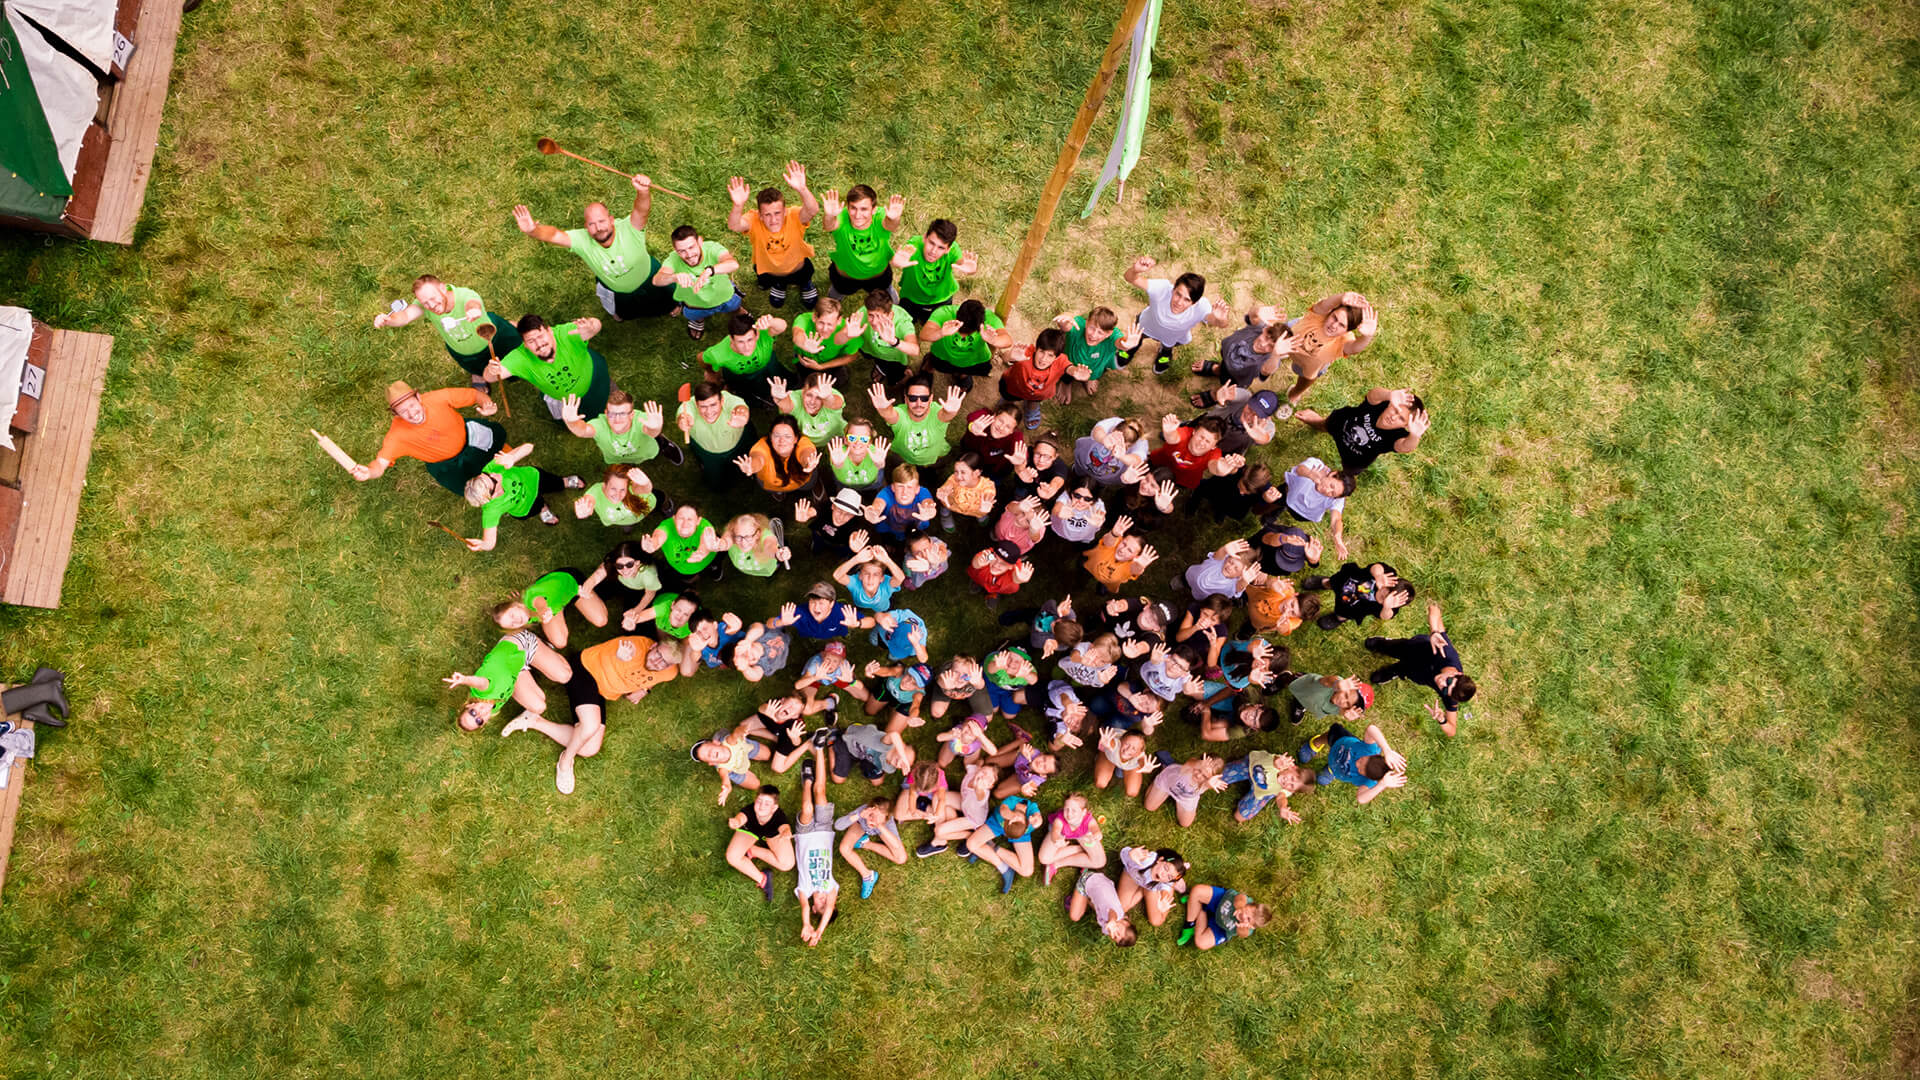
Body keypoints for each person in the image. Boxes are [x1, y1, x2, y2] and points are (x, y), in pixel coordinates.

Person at [497, 634, 671, 794]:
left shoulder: (669, 672)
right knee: (590, 726)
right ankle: (565, 762)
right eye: (658, 654)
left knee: (589, 748)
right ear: (653, 646)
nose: (658, 662)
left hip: (601, 691)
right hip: (586, 670)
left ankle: (534, 721)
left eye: (665, 662)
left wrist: (645, 688)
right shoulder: (633, 647)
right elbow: (618, 652)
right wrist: (619, 657)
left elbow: (660, 673)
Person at [512, 176, 677, 321]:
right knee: (625, 313)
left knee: (668, 299)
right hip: (618, 292)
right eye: (592, 224)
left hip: (650, 278)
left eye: (602, 221)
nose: (598, 228)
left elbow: (641, 211)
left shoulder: (629, 228)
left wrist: (643, 192)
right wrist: (533, 231)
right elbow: (555, 235)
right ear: (586, 226)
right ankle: (622, 314)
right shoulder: (582, 240)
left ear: (611, 220)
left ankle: (672, 306)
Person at [347, 380, 502, 495]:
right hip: (448, 466)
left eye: (412, 405)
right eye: (403, 411)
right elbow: (380, 464)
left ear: (419, 398)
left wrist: (487, 404)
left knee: (501, 451)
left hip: (471, 438)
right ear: (396, 414)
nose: (412, 413)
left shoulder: (437, 398)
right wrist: (369, 472)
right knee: (478, 490)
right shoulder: (397, 436)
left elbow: (474, 395)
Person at [373, 274, 522, 382]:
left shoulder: (464, 295)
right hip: (463, 351)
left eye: (433, 298)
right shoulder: (425, 305)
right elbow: (405, 316)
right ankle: (478, 375)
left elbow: (472, 302)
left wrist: (473, 309)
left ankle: (513, 326)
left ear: (443, 288)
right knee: (484, 371)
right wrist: (389, 320)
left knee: (517, 358)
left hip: (493, 337)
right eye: (425, 303)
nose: (431, 306)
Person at [1365, 601, 1478, 736]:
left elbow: (1452, 730)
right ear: (1457, 673)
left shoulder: (1452, 695)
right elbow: (1434, 609)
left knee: (1395, 672)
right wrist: (1434, 632)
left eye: (1445, 690)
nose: (1442, 684)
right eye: (1448, 681)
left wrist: (1442, 720)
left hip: (1416, 673)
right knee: (1388, 646)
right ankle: (1382, 643)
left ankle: (1393, 671)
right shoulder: (1447, 653)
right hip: (1412, 648)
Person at [726, 161, 821, 309]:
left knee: (804, 276)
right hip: (769, 271)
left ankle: (805, 284)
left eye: (777, 213)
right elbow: (734, 225)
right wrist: (738, 205)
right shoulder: (754, 220)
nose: (773, 219)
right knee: (771, 281)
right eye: (767, 215)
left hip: (798, 268)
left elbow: (813, 210)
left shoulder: (794, 216)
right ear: (760, 215)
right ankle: (779, 285)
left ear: (785, 211)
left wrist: (802, 189)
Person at [488, 314, 615, 423]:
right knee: (586, 418)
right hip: (567, 401)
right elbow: (490, 377)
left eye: (540, 336)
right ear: (525, 345)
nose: (539, 344)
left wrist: (591, 326)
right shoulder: (521, 357)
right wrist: (492, 370)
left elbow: (596, 324)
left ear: (550, 331)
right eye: (531, 341)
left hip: (595, 379)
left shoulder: (565, 334)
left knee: (611, 398)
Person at [1122, 255, 1235, 374]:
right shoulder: (1162, 289)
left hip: (1172, 337)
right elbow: (1130, 278)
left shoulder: (1201, 306)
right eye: (1178, 294)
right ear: (1173, 289)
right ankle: (1130, 348)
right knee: (1136, 339)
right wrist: (1135, 270)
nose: (1179, 302)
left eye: (1187, 300)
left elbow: (1220, 324)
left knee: (1167, 346)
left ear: (1194, 302)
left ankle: (1165, 354)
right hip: (1146, 326)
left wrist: (1220, 319)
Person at [446, 630, 574, 732]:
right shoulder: (493, 709)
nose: (480, 714)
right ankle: (532, 662)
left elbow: (481, 683)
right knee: (539, 707)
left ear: (469, 705)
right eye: (479, 721)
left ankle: (543, 645)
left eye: (473, 713)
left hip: (519, 645)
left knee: (565, 676)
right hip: (515, 669)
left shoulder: (481, 692)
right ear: (483, 723)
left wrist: (465, 680)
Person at [461, 444, 582, 551]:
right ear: (491, 496)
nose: (494, 474)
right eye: (493, 479)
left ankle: (565, 482)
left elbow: (529, 447)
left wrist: (512, 457)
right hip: (525, 507)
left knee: (554, 483)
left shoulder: (493, 468)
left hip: (535, 479)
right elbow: (489, 543)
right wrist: (482, 545)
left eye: (486, 474)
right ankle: (543, 508)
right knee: (537, 506)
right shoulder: (491, 510)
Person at [1279, 291, 1378, 413]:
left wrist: (1368, 336)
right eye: (1334, 318)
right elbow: (1324, 304)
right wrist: (1341, 297)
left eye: (1342, 325)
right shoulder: (1319, 314)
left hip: (1308, 365)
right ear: (1330, 312)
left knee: (1305, 379)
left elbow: (1355, 348)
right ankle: (1281, 353)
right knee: (1277, 343)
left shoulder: (1343, 342)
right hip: (1289, 338)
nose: (1334, 325)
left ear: (1347, 331)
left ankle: (1295, 394)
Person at [1295, 388, 1430, 473]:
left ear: (1406, 425)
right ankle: (1317, 421)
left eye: (1401, 418)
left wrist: (1414, 435)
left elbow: (1404, 447)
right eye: (1395, 410)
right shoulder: (1382, 403)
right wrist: (1389, 394)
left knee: (1349, 471)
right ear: (1390, 404)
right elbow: (1372, 395)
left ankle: (1340, 479)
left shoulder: (1398, 436)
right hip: (1341, 423)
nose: (1393, 417)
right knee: (1325, 425)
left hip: (1357, 457)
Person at [652, 224, 742, 340]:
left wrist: (710, 270)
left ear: (700, 241)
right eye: (682, 251)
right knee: (696, 315)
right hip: (695, 305)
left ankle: (737, 311)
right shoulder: (673, 259)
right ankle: (698, 320)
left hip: (726, 296)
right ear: (675, 250)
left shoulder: (712, 248)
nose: (689, 255)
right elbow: (657, 280)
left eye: (691, 247)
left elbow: (733, 264)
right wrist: (673, 277)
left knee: (735, 307)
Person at [792, 746, 840, 946]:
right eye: (826, 903)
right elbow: (830, 906)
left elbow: (804, 906)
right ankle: (819, 748)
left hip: (804, 835)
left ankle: (807, 781)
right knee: (820, 792)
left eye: (819, 905)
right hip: (825, 831)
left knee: (807, 808)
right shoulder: (831, 886)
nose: (823, 901)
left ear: (813, 908)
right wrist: (820, 930)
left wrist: (808, 925)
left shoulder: (805, 888)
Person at [560, 389, 683, 468]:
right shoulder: (600, 424)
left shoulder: (641, 419)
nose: (617, 419)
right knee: (626, 465)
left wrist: (656, 428)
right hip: (618, 457)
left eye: (623, 413)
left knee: (658, 439)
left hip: (647, 449)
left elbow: (651, 432)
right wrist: (571, 422)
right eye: (612, 413)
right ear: (606, 413)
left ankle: (665, 445)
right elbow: (582, 431)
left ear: (632, 414)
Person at [821, 184, 904, 300]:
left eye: (864, 209)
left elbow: (891, 226)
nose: (857, 215)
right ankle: (836, 295)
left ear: (874, 210)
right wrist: (829, 216)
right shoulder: (841, 216)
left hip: (878, 278)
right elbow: (829, 226)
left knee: (886, 296)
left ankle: (888, 291)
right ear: (848, 207)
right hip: (846, 278)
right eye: (853, 208)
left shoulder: (880, 216)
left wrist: (894, 218)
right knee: (837, 293)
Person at [492, 568, 606, 650]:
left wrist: (543, 611)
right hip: (558, 601)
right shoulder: (527, 618)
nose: (517, 620)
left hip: (572, 583)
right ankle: (560, 606)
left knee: (601, 620)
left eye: (512, 615)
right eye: (512, 624)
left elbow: (539, 602)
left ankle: (561, 603)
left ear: (516, 605)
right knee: (560, 642)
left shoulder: (532, 596)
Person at [997, 328, 1089, 430]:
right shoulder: (1024, 353)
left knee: (1035, 399)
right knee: (1008, 397)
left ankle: (1031, 405)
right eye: (1041, 352)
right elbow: (1005, 357)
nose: (1043, 359)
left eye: (1050, 355)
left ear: (1057, 357)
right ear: (1036, 348)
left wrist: (1075, 372)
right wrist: (1011, 356)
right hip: (1013, 387)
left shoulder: (1060, 361)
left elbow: (1069, 368)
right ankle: (1007, 402)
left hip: (1040, 393)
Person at [1298, 721, 1409, 805]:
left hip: (1339, 769)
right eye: (1362, 760)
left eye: (1360, 770)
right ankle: (1316, 743)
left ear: (1367, 777)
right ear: (1373, 755)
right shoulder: (1370, 749)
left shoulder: (1369, 782)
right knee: (1330, 735)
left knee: (1336, 769)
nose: (1357, 764)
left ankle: (1331, 770)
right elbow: (1371, 728)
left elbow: (1361, 799)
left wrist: (1382, 785)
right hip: (1340, 742)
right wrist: (1387, 749)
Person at [1192, 302, 1290, 396]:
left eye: (1271, 346)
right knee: (1224, 366)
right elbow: (1252, 315)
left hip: (1236, 378)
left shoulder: (1270, 359)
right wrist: (1258, 311)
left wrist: (1276, 355)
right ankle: (1218, 369)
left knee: (1226, 383)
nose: (1263, 344)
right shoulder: (1258, 328)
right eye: (1266, 337)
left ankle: (1216, 394)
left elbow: (1266, 370)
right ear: (1265, 329)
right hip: (1226, 355)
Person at [868, 377, 964, 473]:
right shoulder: (901, 413)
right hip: (904, 456)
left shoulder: (937, 413)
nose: (919, 404)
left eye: (924, 398)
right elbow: (891, 415)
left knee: (933, 469)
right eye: (913, 398)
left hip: (935, 457)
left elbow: (945, 415)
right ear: (906, 399)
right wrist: (884, 410)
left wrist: (950, 412)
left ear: (930, 399)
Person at [892, 217, 977, 322]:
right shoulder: (914, 246)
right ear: (924, 238)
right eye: (931, 243)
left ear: (948, 249)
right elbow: (899, 259)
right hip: (911, 299)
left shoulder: (953, 250)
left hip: (942, 299)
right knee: (905, 323)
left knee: (936, 325)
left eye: (941, 248)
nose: (933, 251)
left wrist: (970, 270)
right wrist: (895, 262)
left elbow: (962, 263)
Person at [919, 298, 1013, 392]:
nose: (962, 336)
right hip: (942, 355)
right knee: (933, 361)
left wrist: (994, 340)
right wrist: (941, 332)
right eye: (961, 329)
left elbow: (1008, 341)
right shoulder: (944, 312)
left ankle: (962, 375)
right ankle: (928, 367)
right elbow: (923, 335)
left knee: (965, 371)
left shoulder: (990, 319)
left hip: (973, 361)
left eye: (969, 332)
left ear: (982, 323)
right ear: (956, 313)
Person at [700, 312, 790, 406]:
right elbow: (701, 358)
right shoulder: (718, 354)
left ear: (757, 335)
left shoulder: (763, 334)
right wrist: (710, 372)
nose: (746, 347)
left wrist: (771, 322)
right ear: (731, 339)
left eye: (750, 340)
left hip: (769, 367)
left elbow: (782, 327)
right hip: (742, 377)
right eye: (740, 342)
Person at [675, 380, 755, 485]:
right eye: (703, 407)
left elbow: (740, 407)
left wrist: (742, 415)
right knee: (716, 483)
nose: (709, 412)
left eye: (713, 405)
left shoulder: (728, 399)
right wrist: (682, 420)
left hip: (738, 445)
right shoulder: (688, 406)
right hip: (709, 454)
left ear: (722, 401)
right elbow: (683, 415)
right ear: (696, 404)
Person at [725, 786, 795, 901]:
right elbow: (741, 818)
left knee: (787, 864)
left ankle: (753, 850)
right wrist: (736, 822)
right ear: (755, 800)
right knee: (732, 857)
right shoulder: (749, 810)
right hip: (751, 830)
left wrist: (786, 833)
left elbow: (784, 827)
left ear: (774, 808)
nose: (761, 806)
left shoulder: (779, 816)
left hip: (772, 834)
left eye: (767, 804)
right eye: (759, 801)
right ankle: (763, 879)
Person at [1277, 457, 1353, 558]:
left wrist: (1337, 537)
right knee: (1275, 501)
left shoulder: (1338, 497)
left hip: (1304, 514)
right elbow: (1300, 469)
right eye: (1331, 485)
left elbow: (1336, 519)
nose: (1327, 491)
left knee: (1294, 514)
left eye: (1332, 493)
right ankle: (1275, 510)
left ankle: (1278, 512)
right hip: (1288, 493)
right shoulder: (1318, 466)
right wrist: (1311, 475)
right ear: (1333, 474)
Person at [1301, 561, 1413, 630]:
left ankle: (1338, 618)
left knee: (1344, 613)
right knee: (1334, 582)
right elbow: (1377, 567)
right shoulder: (1388, 576)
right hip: (1347, 581)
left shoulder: (1391, 606)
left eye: (1389, 598)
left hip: (1354, 607)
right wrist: (1379, 576)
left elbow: (1385, 616)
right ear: (1390, 583)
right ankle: (1324, 583)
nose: (1385, 597)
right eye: (1387, 591)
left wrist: (1387, 607)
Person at [835, 796, 909, 900]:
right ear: (868, 809)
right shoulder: (863, 812)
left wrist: (880, 826)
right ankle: (868, 876)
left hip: (880, 829)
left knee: (901, 858)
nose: (872, 820)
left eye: (878, 818)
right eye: (871, 815)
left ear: (886, 819)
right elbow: (838, 826)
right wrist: (859, 815)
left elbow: (896, 846)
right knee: (844, 848)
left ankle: (865, 843)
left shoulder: (887, 823)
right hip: (860, 825)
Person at [967, 792, 1041, 893]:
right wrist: (1012, 816)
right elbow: (1003, 810)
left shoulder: (1030, 810)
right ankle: (1003, 868)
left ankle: (991, 846)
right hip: (998, 824)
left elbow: (1038, 818)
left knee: (1027, 871)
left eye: (1019, 821)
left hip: (1020, 834)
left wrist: (1037, 821)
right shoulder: (1013, 801)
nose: (1018, 818)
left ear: (1026, 825)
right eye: (1018, 819)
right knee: (971, 844)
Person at [1149, 414, 1244, 492]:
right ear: (1194, 432)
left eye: (1207, 441)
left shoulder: (1214, 453)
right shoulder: (1185, 432)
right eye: (1201, 437)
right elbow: (1174, 438)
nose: (1201, 443)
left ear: (1214, 446)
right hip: (1158, 463)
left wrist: (1222, 469)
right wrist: (1169, 433)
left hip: (1183, 480)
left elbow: (1214, 466)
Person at [1051, 308, 1128, 401]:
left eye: (1100, 332)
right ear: (1086, 323)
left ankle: (1091, 378)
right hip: (1070, 364)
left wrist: (1127, 344)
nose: (1093, 335)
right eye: (1092, 328)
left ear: (1108, 334)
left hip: (1096, 367)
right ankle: (1066, 383)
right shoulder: (1079, 326)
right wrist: (1064, 319)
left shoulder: (1113, 336)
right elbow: (1067, 324)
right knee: (1066, 371)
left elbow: (1121, 343)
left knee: (1116, 362)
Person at [734, 416, 819, 499]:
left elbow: (806, 453)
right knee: (775, 490)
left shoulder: (803, 443)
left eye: (787, 436)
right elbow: (758, 458)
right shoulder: (763, 446)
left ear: (795, 439)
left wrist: (808, 462)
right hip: (773, 486)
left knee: (808, 486)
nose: (781, 440)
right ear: (771, 437)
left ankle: (808, 489)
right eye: (777, 436)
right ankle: (779, 492)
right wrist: (751, 466)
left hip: (802, 481)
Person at [922, 763, 998, 857]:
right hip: (963, 802)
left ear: (990, 786)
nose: (984, 777)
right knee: (938, 797)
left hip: (973, 818)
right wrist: (979, 761)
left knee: (939, 831)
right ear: (978, 769)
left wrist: (979, 788)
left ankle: (970, 835)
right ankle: (940, 838)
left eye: (989, 779)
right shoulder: (973, 771)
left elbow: (980, 795)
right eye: (983, 772)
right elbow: (972, 761)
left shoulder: (983, 793)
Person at [848, 291, 922, 388]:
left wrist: (894, 341)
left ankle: (905, 375)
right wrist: (848, 335)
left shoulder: (902, 323)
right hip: (871, 350)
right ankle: (881, 368)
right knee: (874, 359)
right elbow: (841, 335)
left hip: (895, 359)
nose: (874, 322)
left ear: (890, 315)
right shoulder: (863, 312)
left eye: (879, 316)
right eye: (871, 315)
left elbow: (915, 350)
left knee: (894, 379)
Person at [1221, 749, 1315, 823]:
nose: (1287, 782)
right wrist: (1275, 763)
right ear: (1292, 767)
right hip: (1251, 766)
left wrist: (1283, 807)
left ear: (1292, 791)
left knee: (1239, 817)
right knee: (1218, 776)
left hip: (1262, 791)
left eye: (1291, 786)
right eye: (1292, 778)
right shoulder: (1282, 762)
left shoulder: (1286, 789)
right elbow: (1272, 761)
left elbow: (1281, 797)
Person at [691, 723, 773, 805]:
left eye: (709, 749)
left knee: (768, 755)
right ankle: (740, 770)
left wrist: (743, 730)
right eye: (707, 756)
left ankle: (721, 735)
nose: (710, 754)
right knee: (756, 785)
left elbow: (736, 732)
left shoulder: (730, 741)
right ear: (712, 763)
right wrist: (727, 787)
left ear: (716, 743)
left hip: (743, 748)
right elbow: (725, 780)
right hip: (734, 768)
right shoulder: (722, 769)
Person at [1036, 792, 1107, 886]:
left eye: (1074, 810)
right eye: (1066, 809)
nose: (1069, 814)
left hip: (1081, 834)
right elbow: (1055, 831)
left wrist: (1096, 836)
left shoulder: (1088, 820)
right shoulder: (1060, 820)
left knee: (1100, 862)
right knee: (1044, 859)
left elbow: (1095, 830)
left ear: (1083, 812)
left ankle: (1056, 864)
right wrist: (1056, 840)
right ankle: (1080, 849)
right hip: (1062, 834)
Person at [642, 504, 724, 586]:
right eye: (681, 518)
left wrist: (701, 552)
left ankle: (714, 567)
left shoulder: (704, 525)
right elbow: (659, 536)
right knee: (687, 579)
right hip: (685, 569)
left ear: (698, 521)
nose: (685, 524)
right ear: (674, 518)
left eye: (690, 519)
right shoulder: (666, 526)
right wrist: (653, 544)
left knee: (718, 555)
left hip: (710, 558)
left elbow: (707, 539)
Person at [1143, 754, 1228, 828]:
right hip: (1167, 783)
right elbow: (1191, 762)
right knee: (1149, 807)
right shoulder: (1190, 766)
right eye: (1199, 770)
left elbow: (1210, 783)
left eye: (1205, 776)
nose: (1198, 775)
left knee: (1185, 824)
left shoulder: (1209, 783)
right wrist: (1198, 764)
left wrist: (1209, 784)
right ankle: (1165, 767)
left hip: (1186, 798)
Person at [1082, 516, 1160, 593]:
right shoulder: (1114, 542)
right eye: (1124, 544)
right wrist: (1113, 534)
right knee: (1082, 577)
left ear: (1136, 556)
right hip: (1088, 567)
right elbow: (1107, 542)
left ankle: (1103, 586)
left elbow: (1135, 570)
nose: (1122, 550)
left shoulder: (1131, 566)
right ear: (1121, 539)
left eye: (1130, 550)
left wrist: (1139, 566)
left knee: (1106, 584)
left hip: (1109, 581)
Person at [1115, 846, 1189, 928]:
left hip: (1151, 886)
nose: (1163, 874)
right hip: (1132, 876)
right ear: (1160, 860)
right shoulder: (1147, 860)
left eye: (1169, 876)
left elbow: (1165, 888)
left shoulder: (1163, 880)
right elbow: (1123, 853)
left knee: (1157, 921)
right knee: (1120, 910)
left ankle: (1176, 879)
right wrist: (1130, 854)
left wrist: (1162, 903)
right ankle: (1177, 873)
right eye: (1165, 868)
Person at [790, 296, 862, 379]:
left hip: (830, 364)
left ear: (839, 321)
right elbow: (797, 334)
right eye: (821, 323)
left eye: (830, 324)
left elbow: (851, 356)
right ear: (814, 317)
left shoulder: (849, 332)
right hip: (804, 360)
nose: (825, 329)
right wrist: (804, 344)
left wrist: (821, 367)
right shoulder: (804, 319)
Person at [792, 487, 871, 561]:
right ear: (833, 506)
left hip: (841, 543)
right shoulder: (825, 506)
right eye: (839, 510)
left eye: (848, 514)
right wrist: (807, 514)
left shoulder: (857, 522)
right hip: (820, 534)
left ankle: (841, 556)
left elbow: (855, 534)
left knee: (841, 553)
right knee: (817, 546)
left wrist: (855, 543)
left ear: (853, 515)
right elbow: (813, 511)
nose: (841, 517)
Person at [1179, 885, 1271, 949]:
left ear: (1251, 926)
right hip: (1219, 900)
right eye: (1247, 911)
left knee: (1201, 943)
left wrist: (1242, 927)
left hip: (1221, 928)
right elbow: (1240, 898)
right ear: (1250, 904)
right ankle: (1189, 925)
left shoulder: (1246, 929)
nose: (1244, 915)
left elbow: (1243, 934)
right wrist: (1240, 907)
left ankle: (1198, 907)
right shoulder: (1245, 901)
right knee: (1197, 890)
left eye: (1248, 919)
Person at [1192, 461, 1282, 523]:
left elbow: (1256, 511)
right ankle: (1193, 503)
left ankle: (1221, 512)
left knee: (1225, 508)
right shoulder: (1236, 469)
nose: (1242, 492)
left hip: (1236, 503)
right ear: (1243, 474)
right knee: (1202, 490)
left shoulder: (1265, 490)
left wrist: (1266, 501)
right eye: (1241, 487)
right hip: (1219, 488)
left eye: (1247, 491)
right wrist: (1231, 468)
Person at [827, 723, 913, 788]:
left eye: (905, 764)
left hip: (864, 755)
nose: (902, 762)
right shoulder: (887, 745)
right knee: (838, 779)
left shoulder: (890, 768)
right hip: (847, 742)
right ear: (900, 747)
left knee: (877, 782)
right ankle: (832, 739)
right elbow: (894, 735)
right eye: (904, 758)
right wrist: (904, 757)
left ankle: (862, 759)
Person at [1199, 388, 1283, 455]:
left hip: (1229, 448)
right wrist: (1219, 395)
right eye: (1250, 409)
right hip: (1209, 425)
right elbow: (1230, 393)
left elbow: (1266, 437)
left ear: (1267, 417)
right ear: (1250, 399)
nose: (1249, 416)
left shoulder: (1267, 425)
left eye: (1257, 415)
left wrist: (1260, 438)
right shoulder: (1244, 396)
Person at [1073, 416, 1150, 488]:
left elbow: (1137, 461)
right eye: (1115, 438)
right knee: (1077, 474)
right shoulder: (1114, 422)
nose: (1115, 446)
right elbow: (1097, 430)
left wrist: (1122, 456)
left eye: (1123, 445)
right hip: (1083, 463)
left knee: (1099, 484)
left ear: (1131, 445)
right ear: (1113, 430)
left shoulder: (1141, 443)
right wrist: (1104, 439)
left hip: (1106, 478)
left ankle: (1098, 485)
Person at [1066, 870, 1137, 947]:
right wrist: (1112, 921)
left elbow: (1100, 911)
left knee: (1079, 912)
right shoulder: (1117, 914)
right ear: (1126, 923)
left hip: (1099, 884)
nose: (1113, 933)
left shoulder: (1107, 929)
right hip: (1089, 880)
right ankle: (1084, 873)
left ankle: (1082, 899)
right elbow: (1112, 912)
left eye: (1115, 937)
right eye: (1118, 932)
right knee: (1074, 916)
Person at [775, 582, 868, 641]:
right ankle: (814, 638)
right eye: (813, 602)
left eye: (821, 603)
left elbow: (871, 621)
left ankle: (844, 635)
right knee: (809, 635)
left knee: (842, 632)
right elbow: (769, 623)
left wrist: (857, 623)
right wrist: (781, 622)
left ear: (831, 604)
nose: (816, 607)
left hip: (837, 631)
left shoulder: (842, 612)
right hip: (808, 633)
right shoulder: (800, 612)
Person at [572, 464, 657, 528]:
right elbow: (589, 499)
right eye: (613, 489)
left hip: (648, 504)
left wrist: (647, 483)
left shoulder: (631, 487)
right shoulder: (596, 491)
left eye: (622, 489)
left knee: (659, 499)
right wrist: (585, 508)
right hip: (627, 520)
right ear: (605, 484)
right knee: (628, 524)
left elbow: (646, 489)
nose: (618, 495)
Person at [795, 641, 870, 713]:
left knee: (866, 697)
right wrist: (814, 677)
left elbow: (860, 687)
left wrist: (851, 681)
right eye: (828, 659)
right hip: (815, 679)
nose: (830, 664)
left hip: (836, 678)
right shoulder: (815, 664)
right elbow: (798, 686)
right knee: (806, 709)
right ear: (823, 656)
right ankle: (829, 702)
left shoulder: (844, 667)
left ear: (841, 662)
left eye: (835, 661)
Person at [872, 463, 939, 542]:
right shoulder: (886, 492)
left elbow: (928, 503)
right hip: (889, 527)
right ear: (893, 488)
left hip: (916, 527)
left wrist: (929, 510)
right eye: (900, 486)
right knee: (889, 539)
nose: (904, 492)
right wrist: (874, 511)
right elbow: (879, 503)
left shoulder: (923, 492)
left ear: (917, 489)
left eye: (909, 487)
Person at [773, 373, 847, 444]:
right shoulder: (796, 397)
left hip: (836, 437)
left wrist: (827, 397)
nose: (812, 401)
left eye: (819, 397)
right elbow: (787, 406)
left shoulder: (830, 395)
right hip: (806, 442)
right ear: (802, 392)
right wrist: (780, 399)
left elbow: (834, 403)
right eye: (809, 395)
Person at [862, 656, 930, 733]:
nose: (907, 682)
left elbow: (915, 706)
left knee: (889, 734)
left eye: (914, 683)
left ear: (919, 688)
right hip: (888, 690)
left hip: (904, 703)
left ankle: (895, 710)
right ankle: (892, 709)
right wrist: (873, 670)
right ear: (908, 671)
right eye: (909, 676)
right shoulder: (900, 670)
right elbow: (887, 671)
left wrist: (913, 717)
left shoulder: (918, 693)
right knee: (869, 711)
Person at [934, 452, 997, 533]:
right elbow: (945, 489)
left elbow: (988, 494)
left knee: (980, 512)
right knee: (944, 505)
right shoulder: (953, 479)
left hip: (975, 509)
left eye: (963, 472)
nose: (958, 477)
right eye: (956, 471)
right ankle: (945, 514)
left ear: (976, 473)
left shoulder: (986, 486)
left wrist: (984, 508)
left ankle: (979, 515)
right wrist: (942, 493)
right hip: (952, 505)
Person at [1184, 538, 1263, 602]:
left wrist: (1244, 581)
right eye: (1230, 562)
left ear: (1241, 575)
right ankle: (1183, 581)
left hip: (1202, 596)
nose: (1230, 567)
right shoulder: (1219, 561)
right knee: (1186, 580)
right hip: (1192, 576)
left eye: (1236, 568)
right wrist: (1225, 549)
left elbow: (1239, 587)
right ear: (1227, 557)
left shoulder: (1234, 584)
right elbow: (1220, 553)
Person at [823, 419, 890, 493]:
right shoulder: (838, 453)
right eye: (852, 438)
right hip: (845, 486)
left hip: (872, 484)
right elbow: (837, 465)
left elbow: (880, 466)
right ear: (845, 440)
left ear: (870, 442)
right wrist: (838, 464)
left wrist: (879, 464)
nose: (858, 442)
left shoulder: (877, 453)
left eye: (864, 439)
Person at [1094, 727, 1161, 799]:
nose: (1128, 750)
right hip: (1110, 756)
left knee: (1132, 792)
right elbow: (1111, 742)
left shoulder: (1140, 756)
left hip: (1128, 764)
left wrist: (1145, 767)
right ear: (1121, 740)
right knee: (1100, 783)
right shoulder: (1115, 743)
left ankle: (1120, 768)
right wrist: (1107, 743)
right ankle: (1101, 756)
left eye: (1134, 748)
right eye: (1127, 744)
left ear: (1139, 753)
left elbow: (1142, 762)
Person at [833, 546, 905, 612]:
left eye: (876, 574)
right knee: (859, 607)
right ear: (860, 576)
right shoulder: (855, 583)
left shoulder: (886, 585)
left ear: (882, 578)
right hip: (859, 604)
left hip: (883, 607)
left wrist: (887, 560)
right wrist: (856, 559)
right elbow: (837, 575)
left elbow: (900, 578)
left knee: (887, 609)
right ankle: (860, 608)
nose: (870, 578)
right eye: (866, 573)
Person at [962, 404, 1027, 477]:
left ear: (1012, 430)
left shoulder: (1015, 436)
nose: (1001, 428)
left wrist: (1020, 464)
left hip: (993, 469)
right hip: (971, 453)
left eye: (1008, 427)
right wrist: (972, 426)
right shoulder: (986, 418)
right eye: (1000, 421)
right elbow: (972, 416)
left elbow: (1022, 453)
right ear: (994, 416)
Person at [1286, 673, 1374, 725]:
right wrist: (1337, 684)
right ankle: (1288, 676)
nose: (1342, 701)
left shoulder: (1342, 709)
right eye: (1346, 695)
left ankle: (1300, 706)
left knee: (1302, 701)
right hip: (1305, 686)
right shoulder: (1336, 684)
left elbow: (1342, 711)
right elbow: (1328, 680)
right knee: (1288, 680)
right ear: (1347, 687)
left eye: (1347, 703)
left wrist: (1345, 714)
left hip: (1309, 701)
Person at [720, 513, 789, 578]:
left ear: (757, 534)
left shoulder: (766, 537)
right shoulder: (733, 533)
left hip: (766, 567)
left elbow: (769, 546)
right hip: (749, 567)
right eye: (739, 536)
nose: (743, 543)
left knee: (770, 572)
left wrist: (776, 554)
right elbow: (725, 542)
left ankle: (775, 566)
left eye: (748, 537)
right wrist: (719, 545)